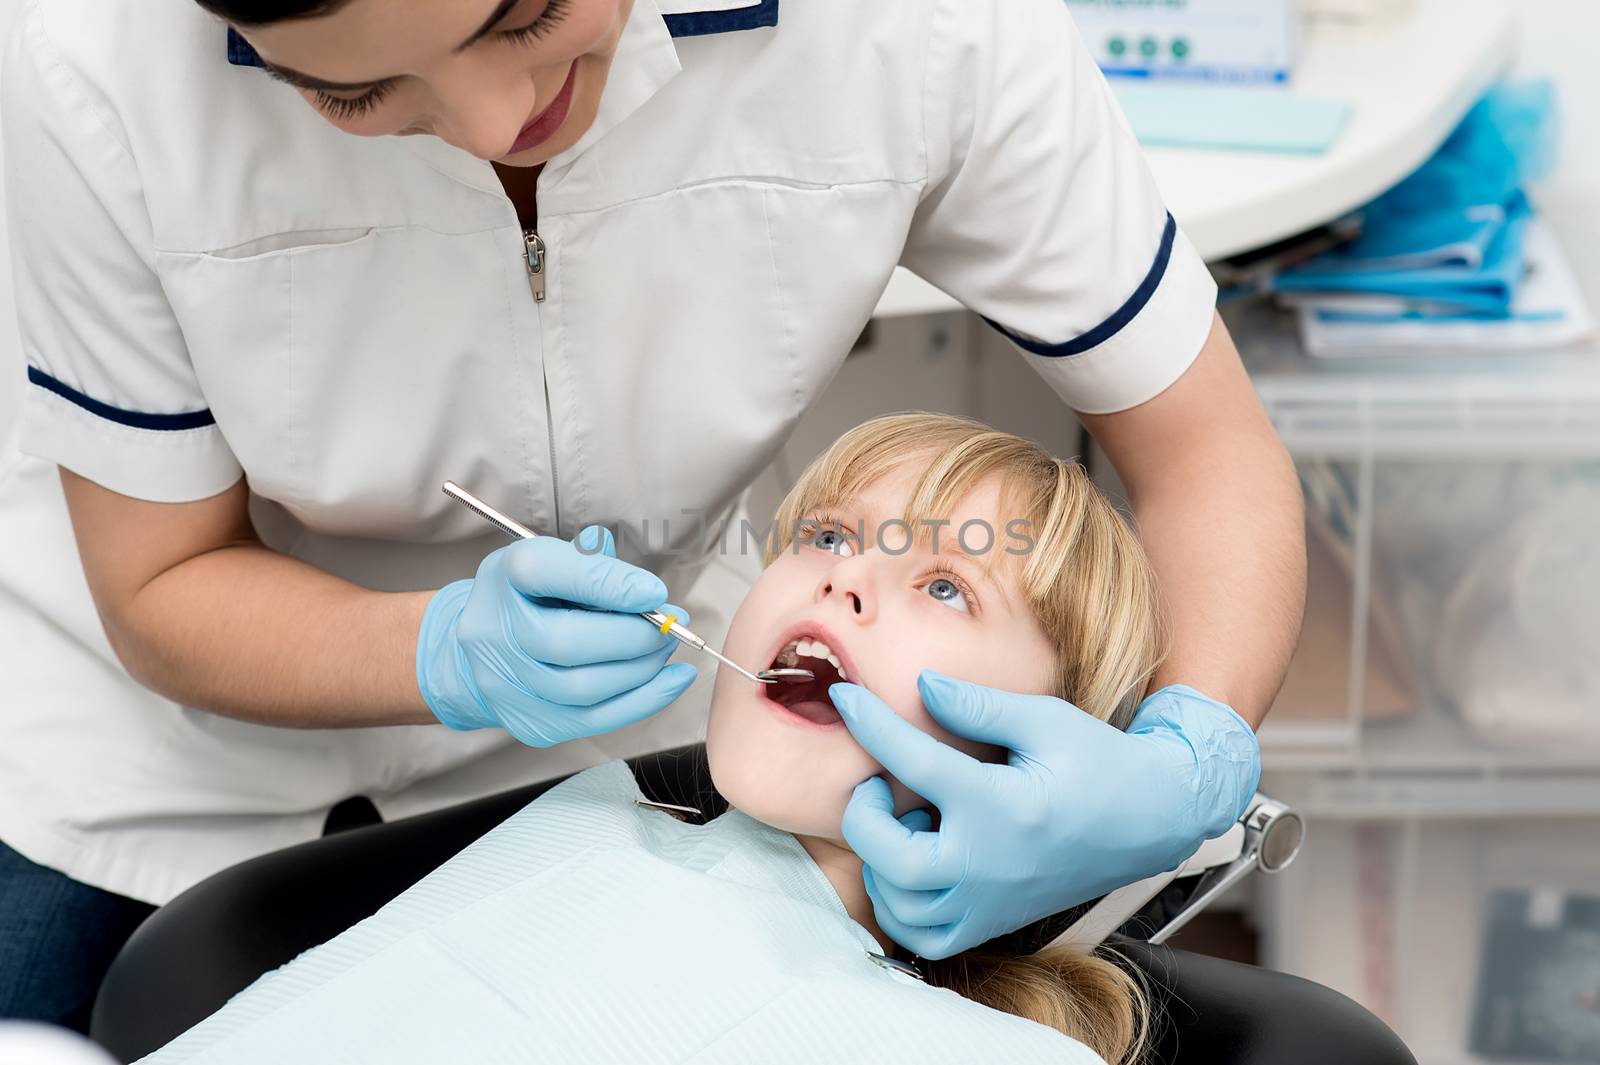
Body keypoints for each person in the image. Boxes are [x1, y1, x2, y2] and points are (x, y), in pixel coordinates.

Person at [0, 0, 1305, 1027]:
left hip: (616, 765)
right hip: (156, 772)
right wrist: (439, 652)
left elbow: (1208, 455)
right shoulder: (84, 61)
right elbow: (165, 578)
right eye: (355, 91)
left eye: (524, 16)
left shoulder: (915, 27)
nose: (493, 123)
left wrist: (1184, 758)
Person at [139, 413, 1179, 1065]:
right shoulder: (590, 820)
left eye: (947, 584)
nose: (842, 577)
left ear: (1051, 748)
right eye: (826, 536)